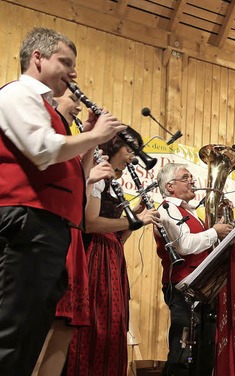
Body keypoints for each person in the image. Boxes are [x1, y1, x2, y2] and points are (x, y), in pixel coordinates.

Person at [0, 27, 123, 374]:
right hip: (26, 222)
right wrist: (95, 135)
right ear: (36, 58)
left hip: (49, 228)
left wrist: (88, 140)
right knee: (10, 332)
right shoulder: (18, 94)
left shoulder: (49, 111)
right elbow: (42, 151)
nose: (73, 74)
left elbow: (74, 180)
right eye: (65, 62)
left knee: (28, 335)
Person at [32, 88, 116, 376]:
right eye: (73, 99)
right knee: (42, 325)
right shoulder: (43, 137)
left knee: (65, 326)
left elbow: (78, 202)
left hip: (72, 238)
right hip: (50, 234)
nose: (79, 108)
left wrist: (90, 152)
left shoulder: (72, 144)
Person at [66, 128, 159, 376]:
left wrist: (136, 218)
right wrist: (134, 220)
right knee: (95, 325)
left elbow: (119, 237)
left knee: (113, 326)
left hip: (111, 257)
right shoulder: (101, 177)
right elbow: (90, 223)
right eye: (130, 150)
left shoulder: (113, 181)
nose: (133, 157)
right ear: (115, 147)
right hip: (93, 256)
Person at [155, 163, 233, 376]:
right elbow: (184, 245)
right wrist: (215, 232)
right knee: (183, 351)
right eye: (186, 177)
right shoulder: (167, 208)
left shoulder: (190, 212)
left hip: (202, 286)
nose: (193, 181)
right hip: (183, 286)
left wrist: (221, 227)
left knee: (203, 350)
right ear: (170, 186)